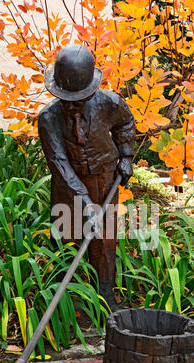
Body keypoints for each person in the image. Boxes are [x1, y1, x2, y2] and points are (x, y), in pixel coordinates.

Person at [38, 44, 135, 312]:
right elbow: (59, 164)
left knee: (104, 239)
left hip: (104, 180)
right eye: (67, 99)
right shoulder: (48, 118)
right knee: (69, 235)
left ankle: (104, 297)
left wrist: (126, 157)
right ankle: (72, 300)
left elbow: (126, 124)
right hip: (68, 187)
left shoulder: (110, 103)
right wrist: (84, 202)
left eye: (79, 99)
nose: (72, 105)